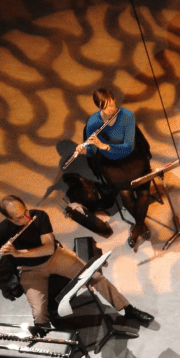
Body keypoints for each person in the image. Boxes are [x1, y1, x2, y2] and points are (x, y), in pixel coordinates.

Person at [0, 195, 153, 329]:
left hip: (55, 257)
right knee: (39, 314)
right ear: (9, 219)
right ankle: (53, 341)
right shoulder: (3, 229)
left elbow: (48, 248)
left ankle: (128, 309)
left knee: (95, 277)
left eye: (25, 211)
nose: (26, 218)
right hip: (30, 269)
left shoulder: (39, 216)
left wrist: (18, 253)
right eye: (19, 218)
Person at [72, 88, 153, 248]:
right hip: (112, 165)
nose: (111, 108)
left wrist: (104, 146)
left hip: (134, 157)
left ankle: (138, 226)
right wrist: (85, 149)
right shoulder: (93, 123)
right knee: (126, 195)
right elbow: (91, 150)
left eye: (112, 104)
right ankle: (140, 224)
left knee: (143, 193)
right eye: (106, 106)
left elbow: (128, 147)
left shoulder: (127, 116)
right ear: (99, 107)